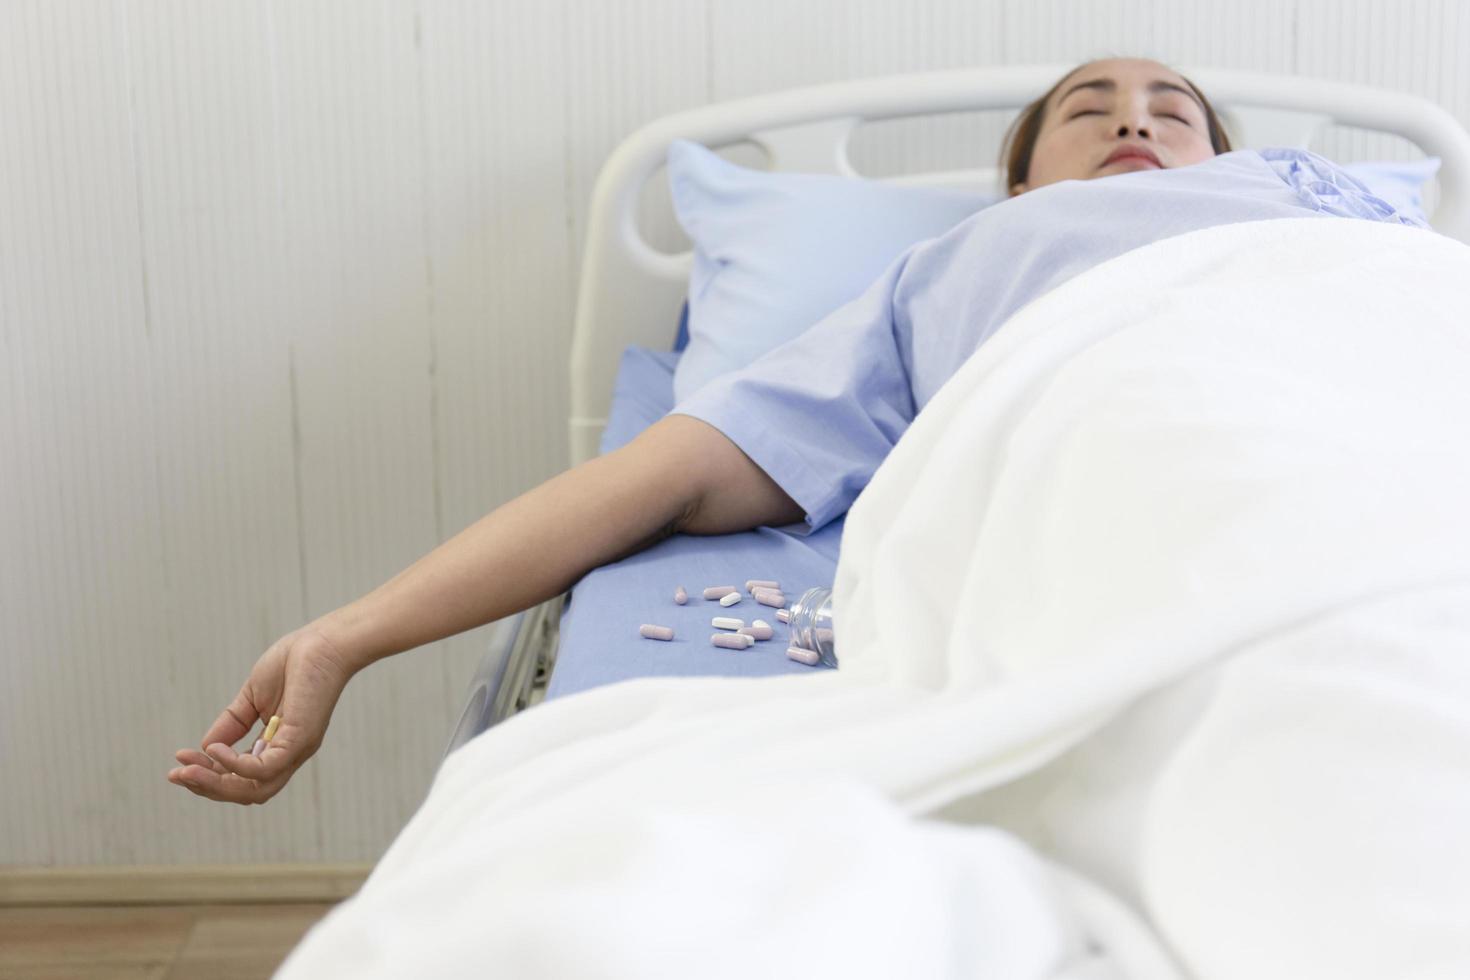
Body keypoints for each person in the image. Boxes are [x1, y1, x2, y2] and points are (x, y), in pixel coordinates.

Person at [168, 57, 1417, 805]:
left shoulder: (1343, 211)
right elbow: (651, 480)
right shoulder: (955, 271)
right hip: (1148, 441)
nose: (1139, 121)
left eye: (1173, 109)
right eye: (1090, 108)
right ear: (1025, 183)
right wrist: (341, 637)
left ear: (1225, 157)